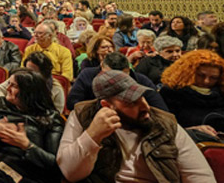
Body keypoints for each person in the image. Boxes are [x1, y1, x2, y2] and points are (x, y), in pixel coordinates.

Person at [57, 70, 216, 183]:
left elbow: (200, 176)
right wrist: (93, 135)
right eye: (131, 102)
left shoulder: (164, 123)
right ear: (107, 105)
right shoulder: (83, 115)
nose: (144, 106)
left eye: (142, 97)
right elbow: (71, 173)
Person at [0, 69, 64, 183]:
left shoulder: (51, 118)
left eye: (14, 86)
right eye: (9, 84)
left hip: (27, 176)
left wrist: (27, 146)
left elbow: (54, 164)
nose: (7, 89)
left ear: (29, 91)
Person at [68, 52, 167, 111]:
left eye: (123, 76)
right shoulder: (88, 75)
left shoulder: (141, 80)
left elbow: (161, 109)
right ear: (101, 66)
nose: (117, 80)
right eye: (110, 75)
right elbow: (72, 103)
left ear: (129, 69)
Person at [160, 50, 224, 133]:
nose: (206, 81)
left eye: (213, 78)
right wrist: (191, 131)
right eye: (201, 75)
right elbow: (162, 128)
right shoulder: (171, 93)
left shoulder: (221, 94)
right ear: (188, 73)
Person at [0, 52, 65, 113]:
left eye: (32, 71)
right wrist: (9, 105)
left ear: (43, 73)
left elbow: (56, 114)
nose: (27, 73)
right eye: (26, 69)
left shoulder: (56, 89)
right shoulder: (18, 80)